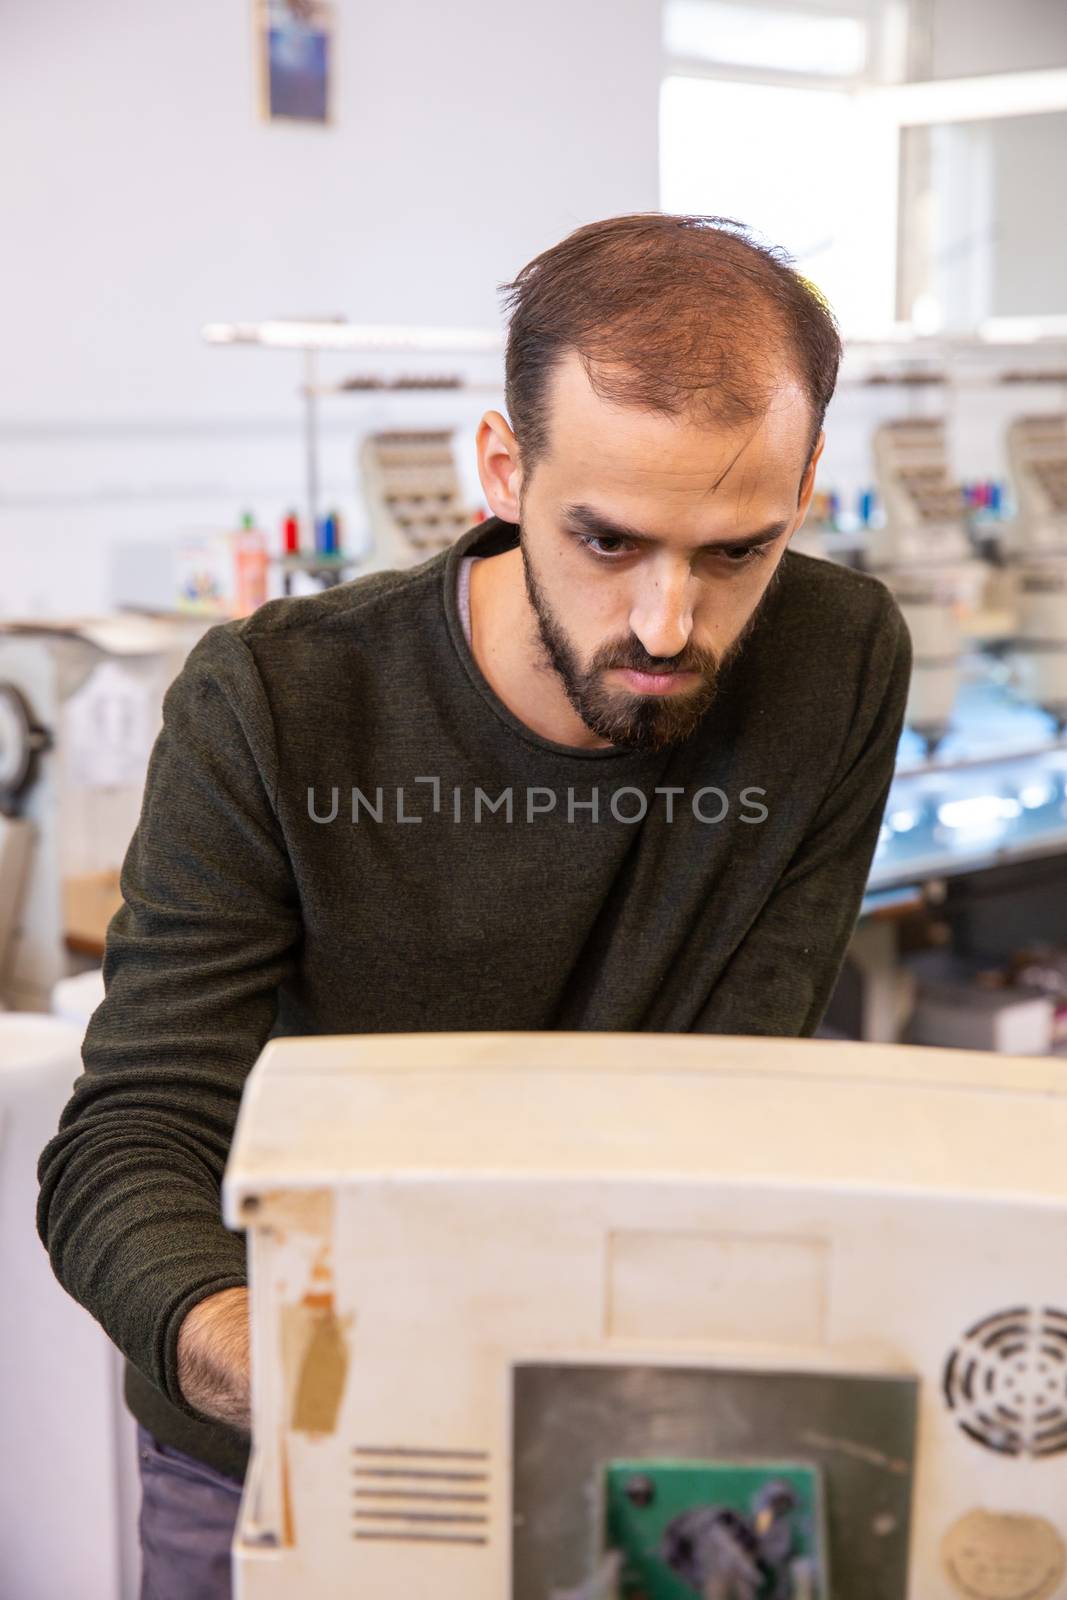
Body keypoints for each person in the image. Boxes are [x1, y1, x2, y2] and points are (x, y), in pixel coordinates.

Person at [37, 213, 910, 1599]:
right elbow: (127, 1145)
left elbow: (743, 1077)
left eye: (734, 552)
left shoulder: (839, 656)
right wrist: (276, 1364)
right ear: (502, 470)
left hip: (631, 1415)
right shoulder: (277, 702)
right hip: (283, 1436)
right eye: (610, 542)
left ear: (804, 492)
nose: (669, 625)